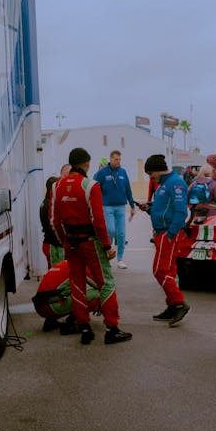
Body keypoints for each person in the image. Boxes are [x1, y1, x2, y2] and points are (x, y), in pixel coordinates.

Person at [50, 147, 132, 345]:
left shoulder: (56, 187)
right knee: (106, 283)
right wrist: (106, 246)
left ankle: (84, 327)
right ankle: (112, 328)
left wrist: (64, 240)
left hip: (70, 242)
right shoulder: (90, 185)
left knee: (77, 283)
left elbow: (54, 220)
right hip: (90, 243)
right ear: (86, 163)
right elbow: (98, 220)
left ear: (71, 164)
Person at [138, 154, 190, 327]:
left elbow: (181, 212)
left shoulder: (175, 182)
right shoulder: (163, 184)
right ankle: (172, 307)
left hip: (168, 233)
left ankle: (179, 303)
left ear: (158, 170)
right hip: (162, 233)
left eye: (150, 174)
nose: (150, 177)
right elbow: (163, 206)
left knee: (160, 270)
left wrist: (170, 235)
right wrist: (149, 207)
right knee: (169, 272)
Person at [93, 150, 136, 269]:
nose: (118, 161)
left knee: (121, 234)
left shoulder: (123, 172)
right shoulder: (102, 173)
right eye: (116, 159)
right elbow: (95, 188)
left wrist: (132, 206)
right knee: (110, 230)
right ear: (110, 159)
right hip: (107, 206)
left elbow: (128, 189)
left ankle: (120, 259)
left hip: (121, 207)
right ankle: (108, 251)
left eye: (120, 159)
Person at [31, 260, 100, 333]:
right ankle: (73, 323)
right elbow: (100, 287)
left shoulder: (64, 263)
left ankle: (50, 321)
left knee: (68, 291)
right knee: (98, 295)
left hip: (40, 307)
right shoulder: (79, 265)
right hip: (52, 307)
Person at [39, 176, 65, 269]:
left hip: (49, 244)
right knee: (59, 273)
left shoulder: (45, 202)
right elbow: (54, 226)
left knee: (55, 272)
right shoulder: (50, 205)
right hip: (54, 245)